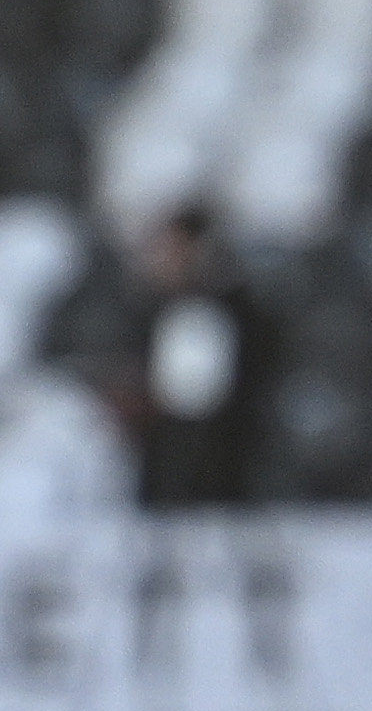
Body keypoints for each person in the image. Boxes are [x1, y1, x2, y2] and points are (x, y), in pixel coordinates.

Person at [114, 201, 271, 512]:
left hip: (218, 480)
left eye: (174, 250)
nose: (161, 259)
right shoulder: (142, 313)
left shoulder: (228, 317)